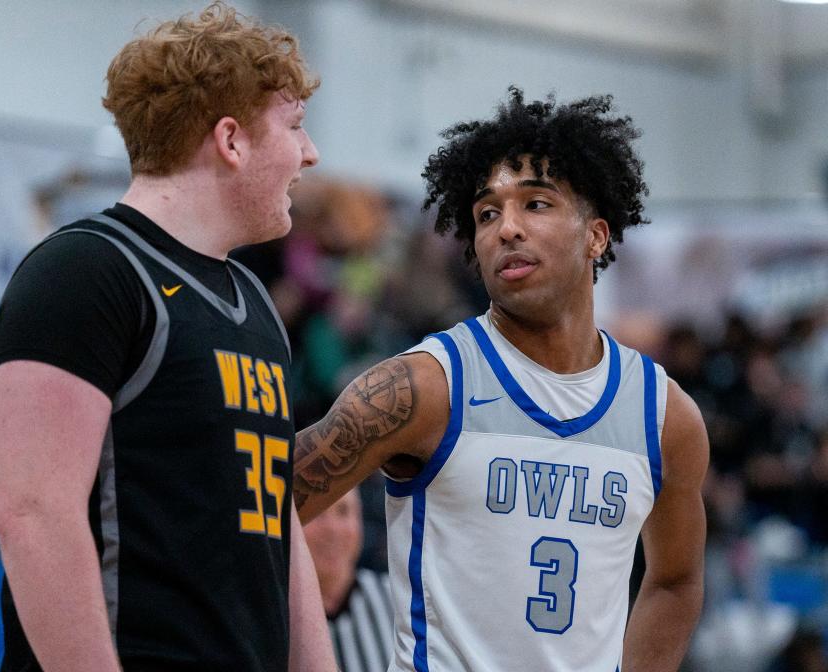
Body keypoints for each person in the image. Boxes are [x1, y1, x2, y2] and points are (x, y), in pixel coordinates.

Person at [294, 87, 709, 672]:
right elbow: (258, 513)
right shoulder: (422, 389)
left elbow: (676, 580)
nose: (506, 228)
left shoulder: (665, 416)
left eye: (536, 204)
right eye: (488, 213)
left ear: (596, 234)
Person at [0, 3, 334, 671]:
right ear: (231, 141)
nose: (310, 152)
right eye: (294, 127)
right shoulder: (83, 272)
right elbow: (34, 518)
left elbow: (276, 522)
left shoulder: (255, 302)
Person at [303, 487, 393, 672]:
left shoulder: (401, 602)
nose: (332, 529)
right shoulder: (274, 613)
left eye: (343, 511)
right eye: (316, 513)